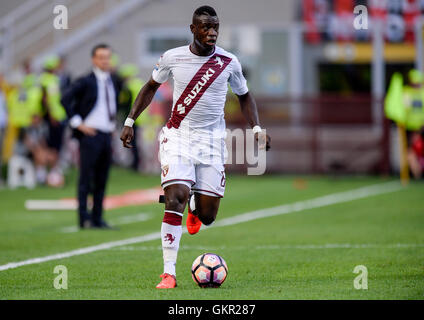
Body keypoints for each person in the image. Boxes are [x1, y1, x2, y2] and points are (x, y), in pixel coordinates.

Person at [120, 6, 271, 289]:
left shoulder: (229, 61)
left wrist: (258, 129)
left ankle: (194, 207)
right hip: (178, 136)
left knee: (208, 215)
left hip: (213, 141)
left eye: (215, 27)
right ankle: (168, 273)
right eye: (205, 27)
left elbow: (245, 96)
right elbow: (150, 87)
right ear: (193, 29)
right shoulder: (172, 57)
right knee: (174, 197)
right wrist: (130, 121)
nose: (212, 32)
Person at [61, 44, 122, 229]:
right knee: (86, 178)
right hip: (90, 135)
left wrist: (114, 124)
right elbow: (65, 99)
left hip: (106, 134)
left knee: (102, 178)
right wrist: (78, 123)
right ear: (93, 60)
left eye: (107, 57)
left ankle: (97, 217)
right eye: (101, 57)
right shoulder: (85, 80)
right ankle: (83, 218)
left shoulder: (114, 80)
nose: (105, 61)